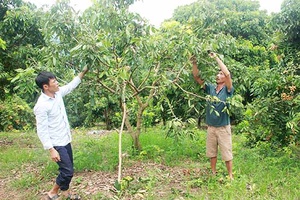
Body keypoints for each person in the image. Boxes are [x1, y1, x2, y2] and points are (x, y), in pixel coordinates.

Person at [34, 66, 88, 200]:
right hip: (56, 143)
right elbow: (42, 129)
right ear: (46, 86)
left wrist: (83, 72)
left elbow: (71, 86)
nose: (57, 83)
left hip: (66, 139)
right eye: (54, 82)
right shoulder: (41, 106)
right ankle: (52, 193)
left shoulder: (57, 94)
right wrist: (51, 149)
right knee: (68, 171)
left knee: (68, 169)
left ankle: (66, 193)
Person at [191, 51, 234, 180]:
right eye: (218, 73)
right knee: (212, 152)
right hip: (211, 127)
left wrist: (216, 57)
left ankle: (230, 175)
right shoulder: (210, 88)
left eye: (220, 74)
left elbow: (227, 73)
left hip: (223, 127)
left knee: (226, 152)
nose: (218, 75)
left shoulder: (228, 89)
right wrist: (194, 62)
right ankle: (213, 173)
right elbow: (197, 78)